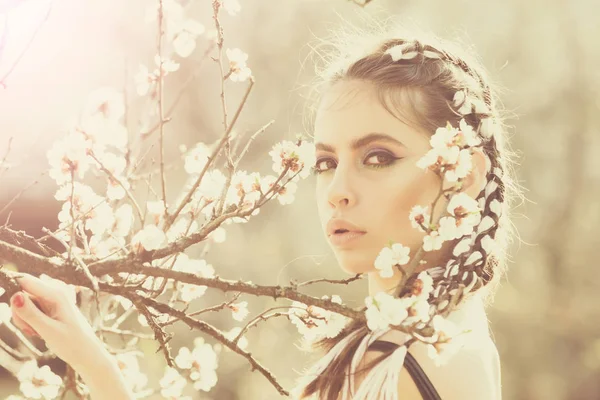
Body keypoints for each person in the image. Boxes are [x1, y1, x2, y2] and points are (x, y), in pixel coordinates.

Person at [9, 22, 518, 400]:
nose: (337, 191)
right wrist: (87, 352)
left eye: (377, 157)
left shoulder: (413, 364)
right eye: (325, 162)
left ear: (461, 174)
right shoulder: (419, 345)